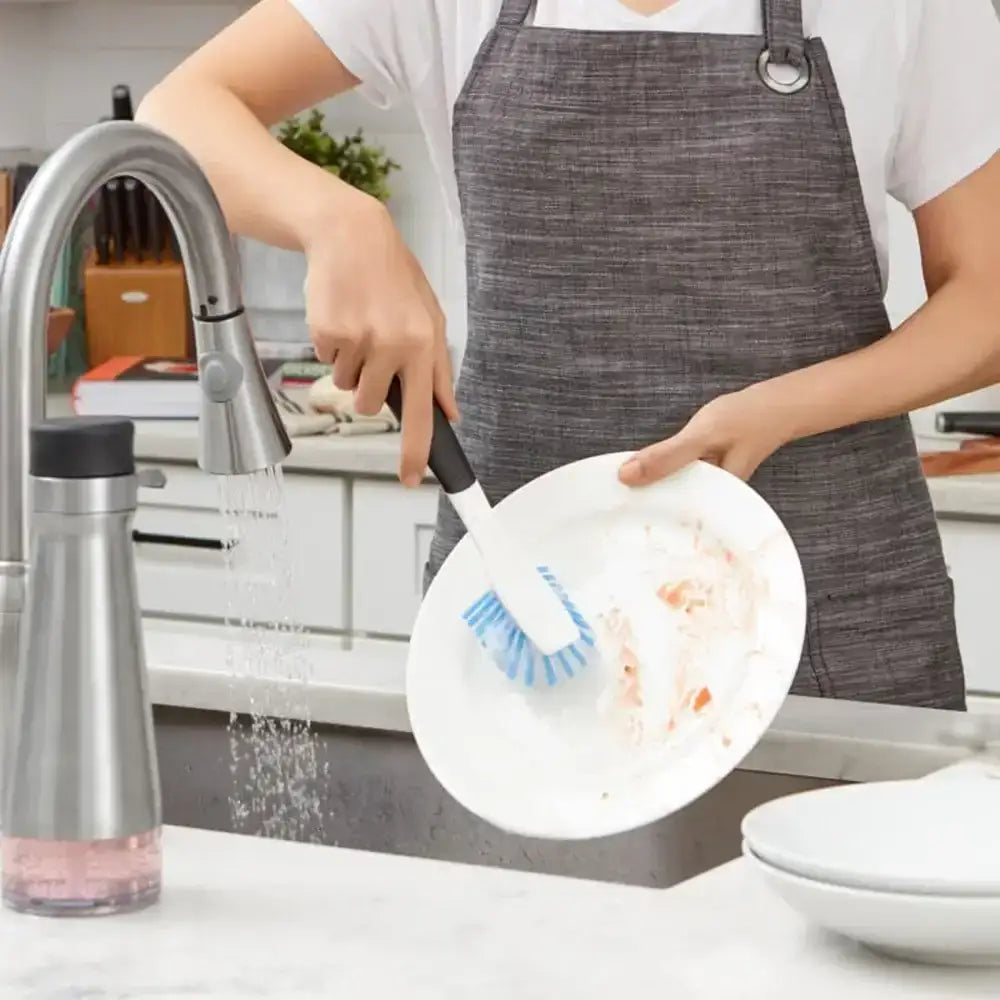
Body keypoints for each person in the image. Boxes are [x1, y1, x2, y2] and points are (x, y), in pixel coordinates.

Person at [138, 0, 1000, 710]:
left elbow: (989, 300)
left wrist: (781, 408)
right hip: (532, 622)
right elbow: (181, 108)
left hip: (832, 614)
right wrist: (338, 221)